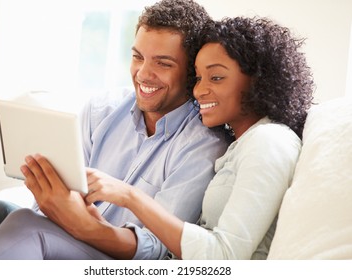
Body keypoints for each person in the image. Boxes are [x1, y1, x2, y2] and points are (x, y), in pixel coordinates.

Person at [0, 0, 227, 259]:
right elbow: (57, 206)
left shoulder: (202, 144)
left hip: (111, 258)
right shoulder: (103, 109)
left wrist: (88, 227)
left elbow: (159, 248)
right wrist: (50, 196)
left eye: (163, 63)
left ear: (192, 72)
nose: (143, 74)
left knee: (21, 221)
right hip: (61, 234)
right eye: (137, 57)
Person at [74, 17, 315, 259]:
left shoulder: (269, 141)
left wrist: (129, 197)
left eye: (216, 77)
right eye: (198, 78)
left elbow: (225, 257)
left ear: (259, 80)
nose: (199, 91)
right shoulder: (241, 144)